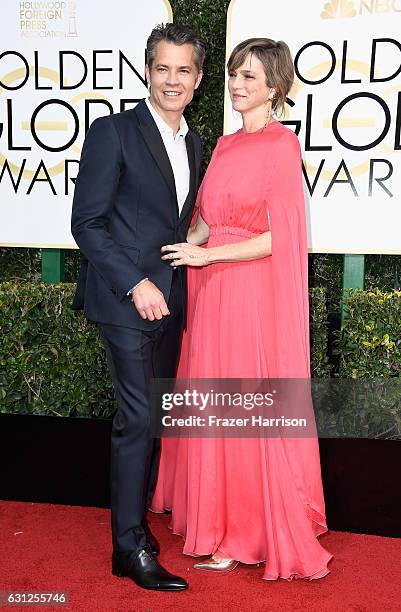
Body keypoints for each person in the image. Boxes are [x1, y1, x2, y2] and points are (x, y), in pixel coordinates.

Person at [152, 38, 333, 580]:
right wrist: (173, 246)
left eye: (250, 77)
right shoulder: (225, 145)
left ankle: (244, 531)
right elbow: (207, 220)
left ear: (274, 88)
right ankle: (214, 520)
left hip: (249, 294)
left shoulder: (282, 146)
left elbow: (278, 239)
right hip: (210, 295)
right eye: (234, 74)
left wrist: (206, 254)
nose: (237, 85)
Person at [71, 23, 205, 591]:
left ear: (198, 80)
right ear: (146, 71)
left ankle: (138, 529)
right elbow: (88, 224)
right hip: (126, 303)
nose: (172, 80)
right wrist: (135, 284)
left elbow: (175, 225)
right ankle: (127, 548)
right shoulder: (113, 131)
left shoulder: (195, 143)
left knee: (152, 419)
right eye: (162, 68)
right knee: (136, 421)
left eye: (184, 71)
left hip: (171, 301)